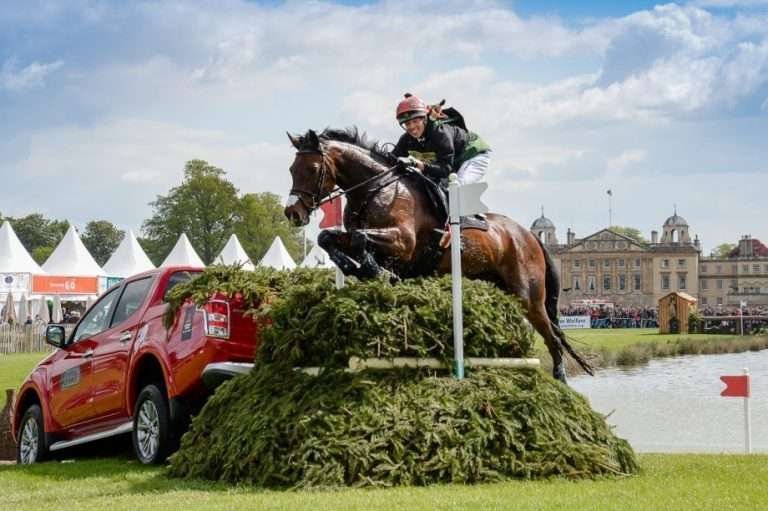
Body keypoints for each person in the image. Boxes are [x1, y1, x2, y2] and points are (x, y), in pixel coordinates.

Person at [391, 93, 490, 186]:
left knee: (456, 188)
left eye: (415, 121)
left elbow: (445, 169)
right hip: (451, 163)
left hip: (472, 156)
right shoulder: (406, 139)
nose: (412, 127)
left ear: (424, 119)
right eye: (407, 124)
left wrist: (419, 164)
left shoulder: (440, 134)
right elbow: (391, 159)